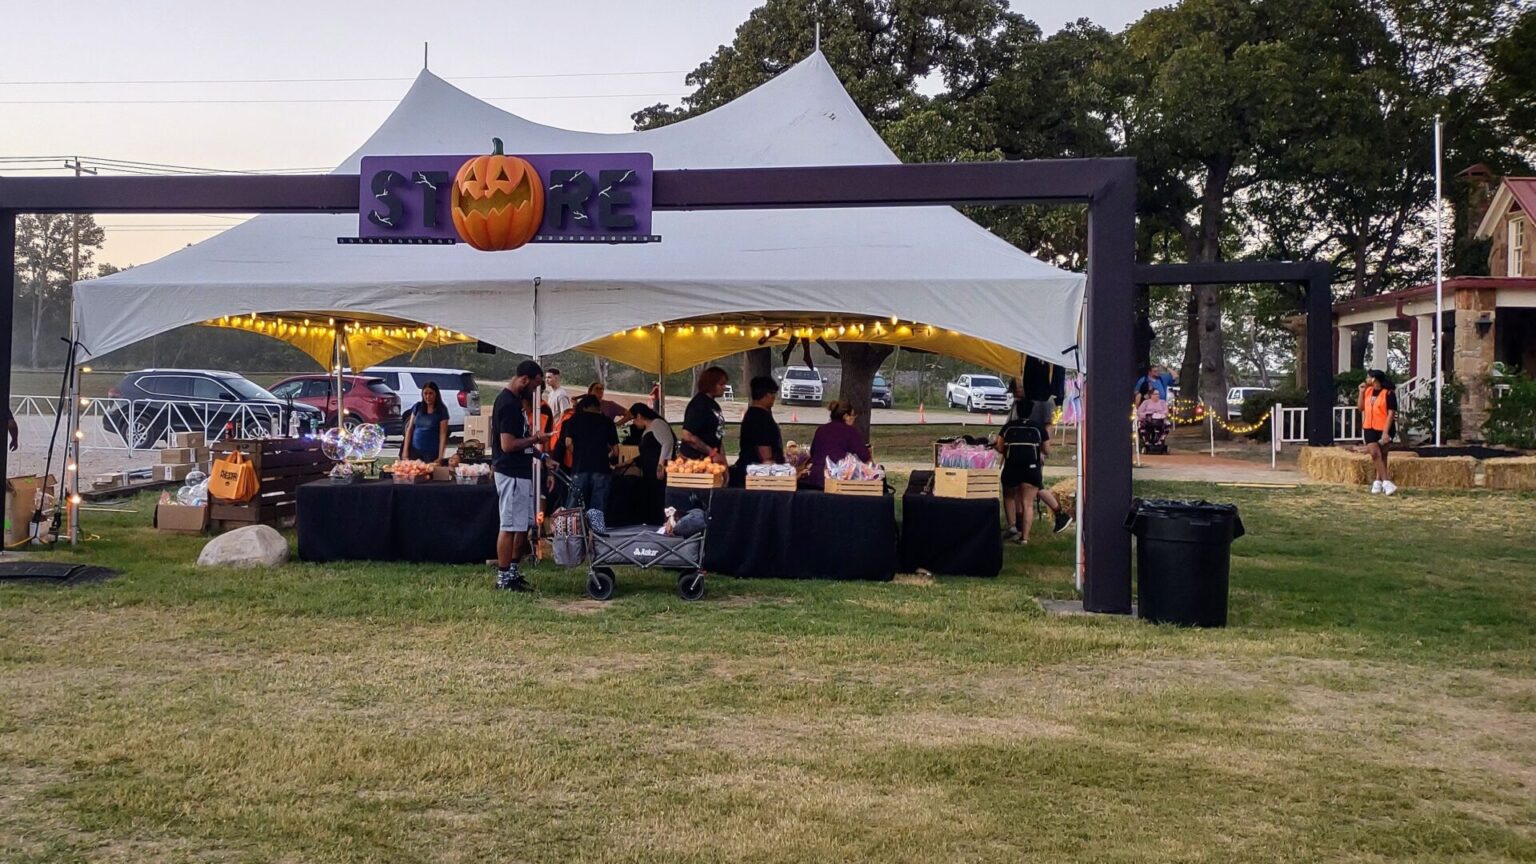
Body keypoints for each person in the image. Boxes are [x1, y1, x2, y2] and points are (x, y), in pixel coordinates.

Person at [491, 360, 552, 591]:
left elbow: (522, 443)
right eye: (536, 385)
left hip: (522, 473)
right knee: (508, 526)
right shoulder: (507, 404)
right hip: (511, 473)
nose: (536, 391)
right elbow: (508, 445)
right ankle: (503, 579)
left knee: (521, 525)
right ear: (525, 379)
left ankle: (513, 572)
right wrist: (535, 439)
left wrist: (542, 456)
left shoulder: (516, 403)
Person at [997, 398, 1071, 543]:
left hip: (1012, 468)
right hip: (1031, 468)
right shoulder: (1038, 428)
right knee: (1028, 503)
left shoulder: (1009, 427)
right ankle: (1025, 537)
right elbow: (1047, 450)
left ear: (1017, 411)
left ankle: (1012, 526)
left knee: (1009, 496)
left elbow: (1000, 447)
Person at [554, 394, 620, 516]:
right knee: (598, 505)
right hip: (601, 468)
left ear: (584, 407)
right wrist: (606, 457)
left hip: (580, 467)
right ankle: (596, 532)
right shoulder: (607, 421)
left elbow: (568, 443)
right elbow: (616, 450)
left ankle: (572, 531)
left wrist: (579, 454)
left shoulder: (573, 420)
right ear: (597, 407)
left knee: (574, 503)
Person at [805, 401, 872, 488]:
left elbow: (813, 453)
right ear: (846, 416)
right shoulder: (850, 431)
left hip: (816, 478)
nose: (854, 419)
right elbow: (864, 456)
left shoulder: (821, 430)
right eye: (853, 415)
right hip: (839, 478)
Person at [627, 402, 675, 523]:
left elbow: (667, 443)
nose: (633, 422)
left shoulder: (657, 424)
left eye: (633, 419)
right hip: (649, 470)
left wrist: (661, 465)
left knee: (659, 496)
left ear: (639, 416)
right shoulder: (648, 429)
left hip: (657, 469)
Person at [732, 376, 784, 485]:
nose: (774, 397)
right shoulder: (761, 417)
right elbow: (764, 448)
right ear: (768, 394)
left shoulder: (751, 413)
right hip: (758, 474)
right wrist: (771, 466)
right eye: (774, 393)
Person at [1359, 369, 1398, 496]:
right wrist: (1361, 392)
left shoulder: (1388, 394)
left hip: (1383, 427)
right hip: (1369, 427)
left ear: (1374, 379)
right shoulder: (1368, 391)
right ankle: (1386, 481)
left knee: (1382, 454)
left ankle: (1378, 482)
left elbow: (1391, 414)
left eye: (1368, 377)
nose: (1366, 379)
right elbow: (1360, 407)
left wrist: (1385, 432)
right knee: (1375, 454)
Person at [679, 366, 729, 464]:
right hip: (694, 460)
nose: (724, 387)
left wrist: (723, 462)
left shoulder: (714, 405)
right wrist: (711, 453)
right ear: (711, 384)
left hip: (712, 459)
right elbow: (687, 436)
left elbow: (718, 437)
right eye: (721, 384)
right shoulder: (698, 404)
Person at [400, 380, 450, 464]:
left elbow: (443, 435)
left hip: (431, 452)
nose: (428, 396)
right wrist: (405, 451)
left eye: (431, 393)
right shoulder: (418, 407)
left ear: (436, 394)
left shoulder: (442, 410)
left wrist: (440, 457)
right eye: (425, 393)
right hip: (414, 450)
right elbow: (410, 429)